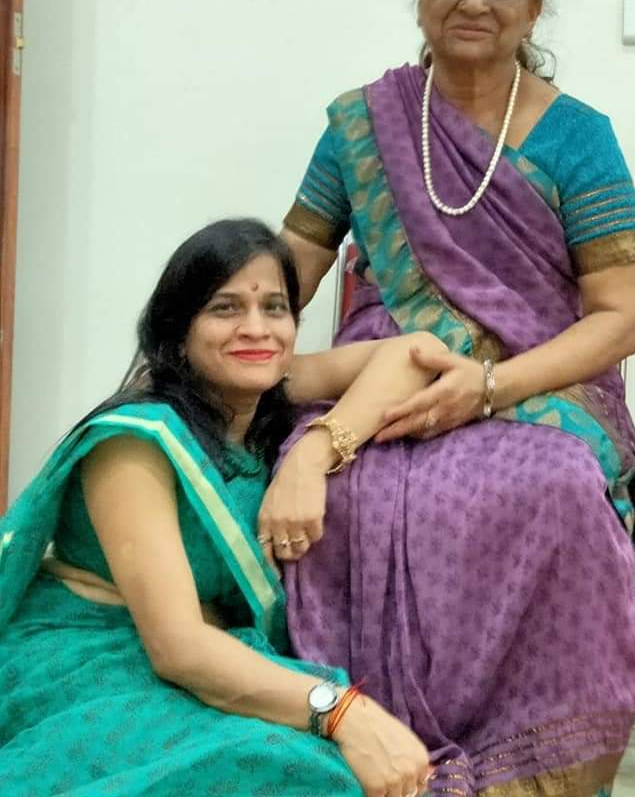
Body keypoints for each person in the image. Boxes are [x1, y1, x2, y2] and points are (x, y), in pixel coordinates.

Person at [272, 0, 635, 797]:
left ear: (533, 11)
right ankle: (356, 741)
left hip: (534, 380)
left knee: (554, 488)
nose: (474, 0)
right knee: (349, 490)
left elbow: (618, 318)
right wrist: (217, 339)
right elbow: (288, 265)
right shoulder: (363, 126)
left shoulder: (578, 137)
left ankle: (538, 760)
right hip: (382, 378)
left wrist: (488, 388)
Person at [0, 218, 438, 797]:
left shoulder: (264, 393)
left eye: (275, 308)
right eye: (225, 308)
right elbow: (178, 647)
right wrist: (342, 711)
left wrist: (313, 456)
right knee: (299, 770)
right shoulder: (133, 444)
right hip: (92, 657)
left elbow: (417, 355)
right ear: (178, 330)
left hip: (209, 658)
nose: (256, 328)